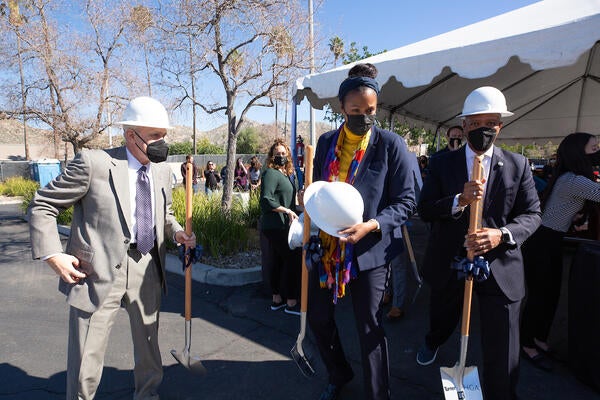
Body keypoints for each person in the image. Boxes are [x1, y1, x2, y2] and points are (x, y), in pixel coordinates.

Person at [28, 96, 196, 400]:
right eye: (155, 136)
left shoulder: (160, 171)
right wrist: (54, 255)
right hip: (96, 272)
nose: (162, 143)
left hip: (146, 267)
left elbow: (165, 213)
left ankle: (148, 395)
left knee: (149, 348)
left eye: (164, 135)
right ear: (131, 135)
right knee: (86, 360)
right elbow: (42, 205)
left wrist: (178, 233)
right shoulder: (94, 163)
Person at [416, 86, 541, 400]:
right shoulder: (443, 163)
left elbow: (532, 214)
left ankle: (501, 393)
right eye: (474, 123)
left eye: (490, 123)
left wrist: (502, 234)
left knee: (503, 348)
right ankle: (434, 340)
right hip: (451, 263)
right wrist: (458, 200)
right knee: (444, 316)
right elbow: (425, 208)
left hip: (499, 268)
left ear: (500, 125)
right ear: (464, 124)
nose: (482, 130)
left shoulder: (517, 165)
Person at [307, 63, 416, 400]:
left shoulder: (390, 145)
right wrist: (308, 197)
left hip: (369, 250)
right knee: (319, 320)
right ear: (341, 108)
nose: (364, 117)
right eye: (356, 110)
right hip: (326, 247)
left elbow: (407, 200)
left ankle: (377, 393)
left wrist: (372, 224)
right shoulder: (325, 143)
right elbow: (318, 189)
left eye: (370, 110)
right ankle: (338, 373)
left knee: (368, 326)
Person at [520, 132, 600, 371]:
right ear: (579, 152)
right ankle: (526, 344)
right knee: (539, 296)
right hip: (542, 241)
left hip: (551, 240)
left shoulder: (569, 177)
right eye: (594, 147)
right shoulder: (574, 180)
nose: (597, 151)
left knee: (550, 295)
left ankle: (539, 338)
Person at [259, 138, 302, 316]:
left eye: (283, 153)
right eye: (277, 154)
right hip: (275, 224)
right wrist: (286, 210)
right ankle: (291, 302)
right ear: (271, 156)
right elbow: (266, 199)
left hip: (284, 224)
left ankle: (277, 299)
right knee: (292, 259)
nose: (281, 156)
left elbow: (290, 200)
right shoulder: (270, 173)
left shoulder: (286, 175)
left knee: (277, 261)